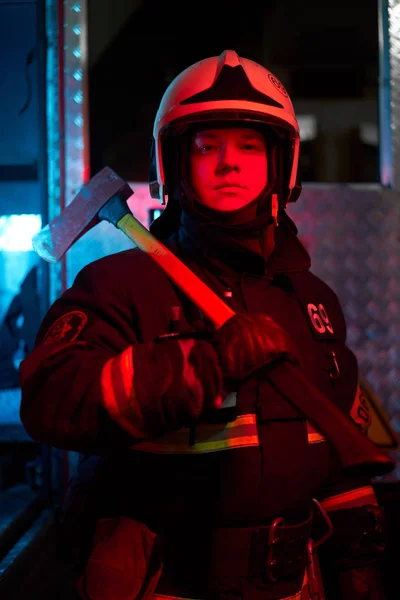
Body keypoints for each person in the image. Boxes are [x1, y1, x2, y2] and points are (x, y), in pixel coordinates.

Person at [19, 50, 389, 600]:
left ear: (281, 164)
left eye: (248, 147)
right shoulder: (120, 286)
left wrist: (358, 567)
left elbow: (339, 461)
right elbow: (52, 399)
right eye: (206, 147)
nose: (228, 164)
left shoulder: (312, 300)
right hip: (164, 585)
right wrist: (203, 365)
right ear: (173, 165)